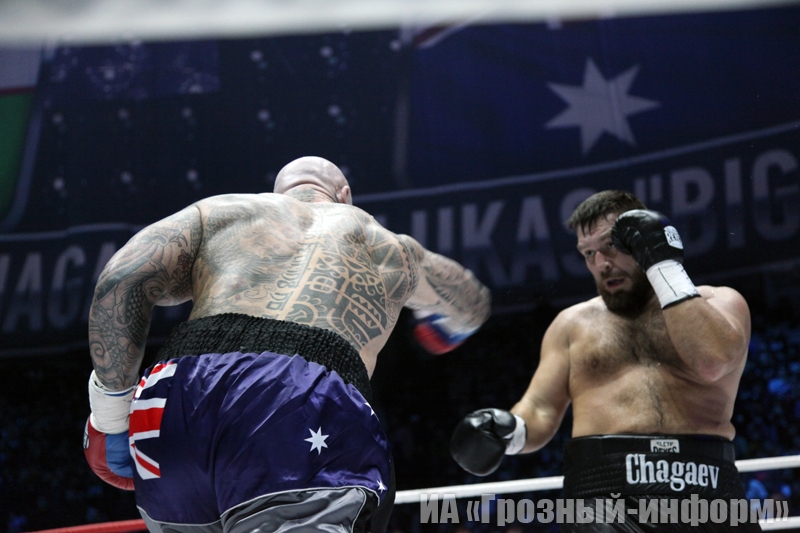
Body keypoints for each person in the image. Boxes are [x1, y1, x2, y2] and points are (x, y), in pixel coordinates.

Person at [83, 156, 491, 533]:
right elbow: (471, 303)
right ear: (345, 195)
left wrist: (111, 415)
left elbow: (120, 281)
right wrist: (443, 330)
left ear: (278, 194)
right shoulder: (391, 247)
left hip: (174, 394)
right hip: (297, 392)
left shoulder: (220, 212)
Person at [450, 190, 759, 532]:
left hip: (707, 487)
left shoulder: (721, 303)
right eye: (588, 254)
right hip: (602, 497)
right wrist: (508, 432)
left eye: (611, 246)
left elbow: (712, 362)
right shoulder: (572, 325)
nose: (601, 264)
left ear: (641, 239)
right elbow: (539, 409)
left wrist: (663, 263)